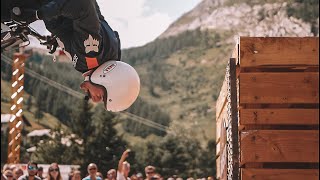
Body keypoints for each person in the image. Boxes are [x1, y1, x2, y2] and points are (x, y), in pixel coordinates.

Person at [2, 0, 140, 112]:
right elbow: (82, 5)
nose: (95, 99)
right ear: (108, 77)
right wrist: (38, 15)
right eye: (102, 96)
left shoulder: (110, 53)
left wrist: (61, 39)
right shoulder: (91, 54)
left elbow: (87, 22)